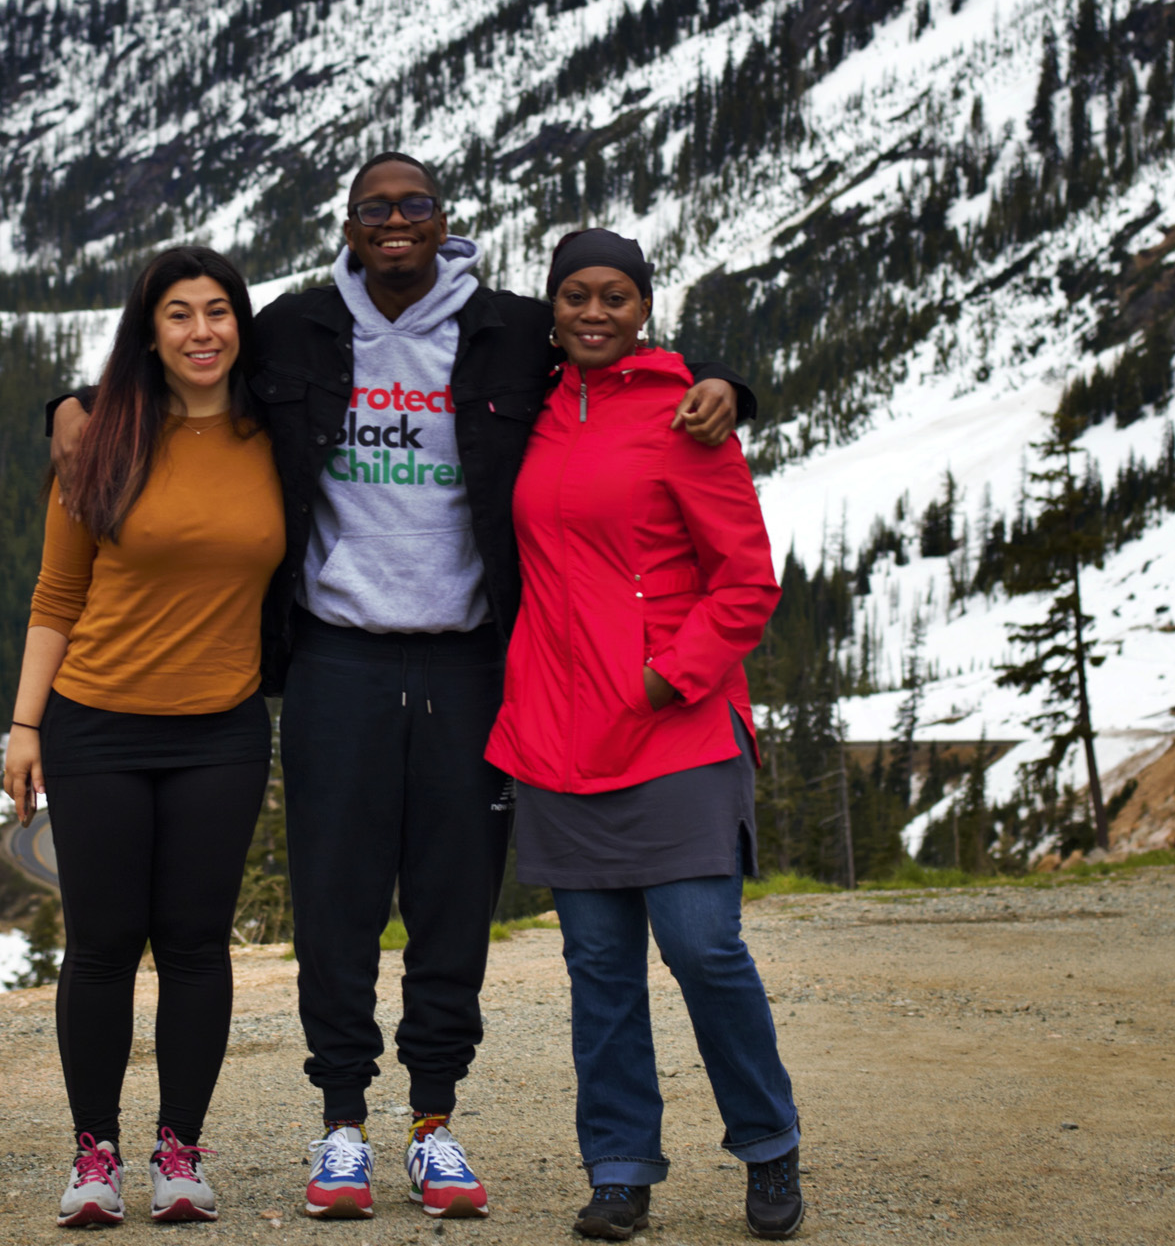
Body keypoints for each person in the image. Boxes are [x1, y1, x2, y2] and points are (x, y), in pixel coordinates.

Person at [51, 154, 755, 1222]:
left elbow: (615, 365)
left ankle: (432, 1121)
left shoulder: (510, 329)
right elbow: (181, 373)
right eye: (375, 208)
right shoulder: (294, 327)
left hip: (474, 660)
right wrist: (64, 405)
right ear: (347, 223)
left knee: (452, 897)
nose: (395, 223)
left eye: (414, 206)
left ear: (443, 222)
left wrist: (731, 386)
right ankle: (341, 1126)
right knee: (332, 897)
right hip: (337, 654)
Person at [484, 228, 803, 1242]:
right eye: (574, 295)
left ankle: (766, 1143)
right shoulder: (524, 412)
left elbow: (746, 577)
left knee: (704, 948)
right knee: (599, 967)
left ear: (644, 308)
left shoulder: (685, 417)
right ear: (551, 307)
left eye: (613, 297)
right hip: (558, 728)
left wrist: (672, 676)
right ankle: (619, 1167)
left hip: (673, 726)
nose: (592, 313)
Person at [6, 246, 284, 1229]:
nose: (202, 331)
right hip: (94, 725)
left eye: (218, 311)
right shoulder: (99, 443)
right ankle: (94, 1155)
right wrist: (25, 724)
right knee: (102, 944)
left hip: (222, 730)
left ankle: (179, 1154)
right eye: (179, 314)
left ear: (239, 324)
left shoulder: (276, 435)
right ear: (149, 331)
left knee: (197, 944)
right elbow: (57, 595)